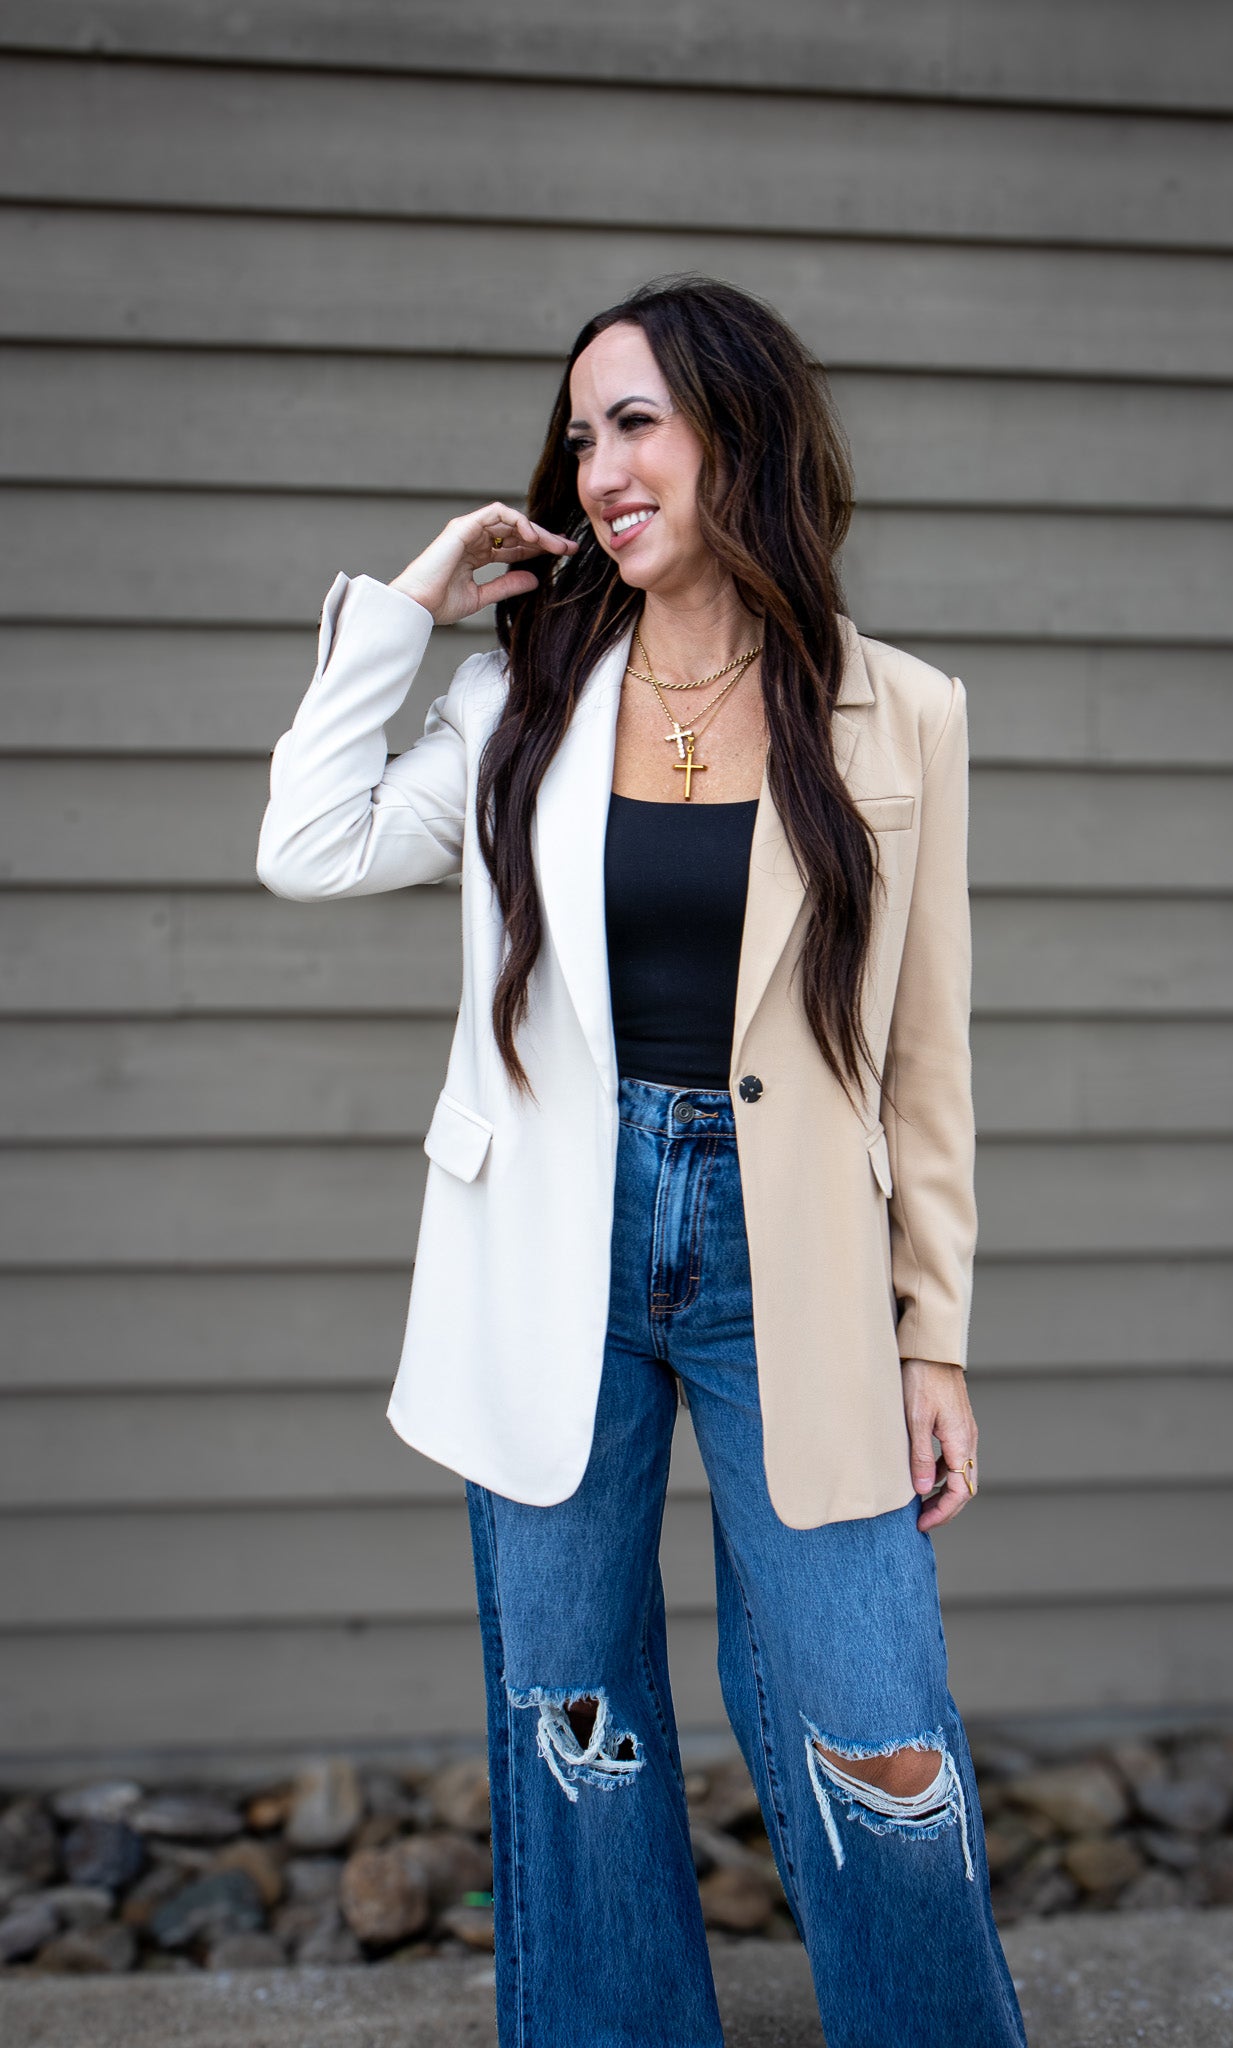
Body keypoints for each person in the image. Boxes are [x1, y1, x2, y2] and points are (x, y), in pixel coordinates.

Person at [257, 274, 1028, 2047]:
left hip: (795, 1270)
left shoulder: (897, 711)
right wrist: (413, 605)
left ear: (735, 436)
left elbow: (924, 1056)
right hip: (550, 1252)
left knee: (873, 1724)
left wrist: (936, 1338)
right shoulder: (519, 685)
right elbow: (305, 843)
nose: (600, 463)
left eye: (640, 422)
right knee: (574, 1731)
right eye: (582, 428)